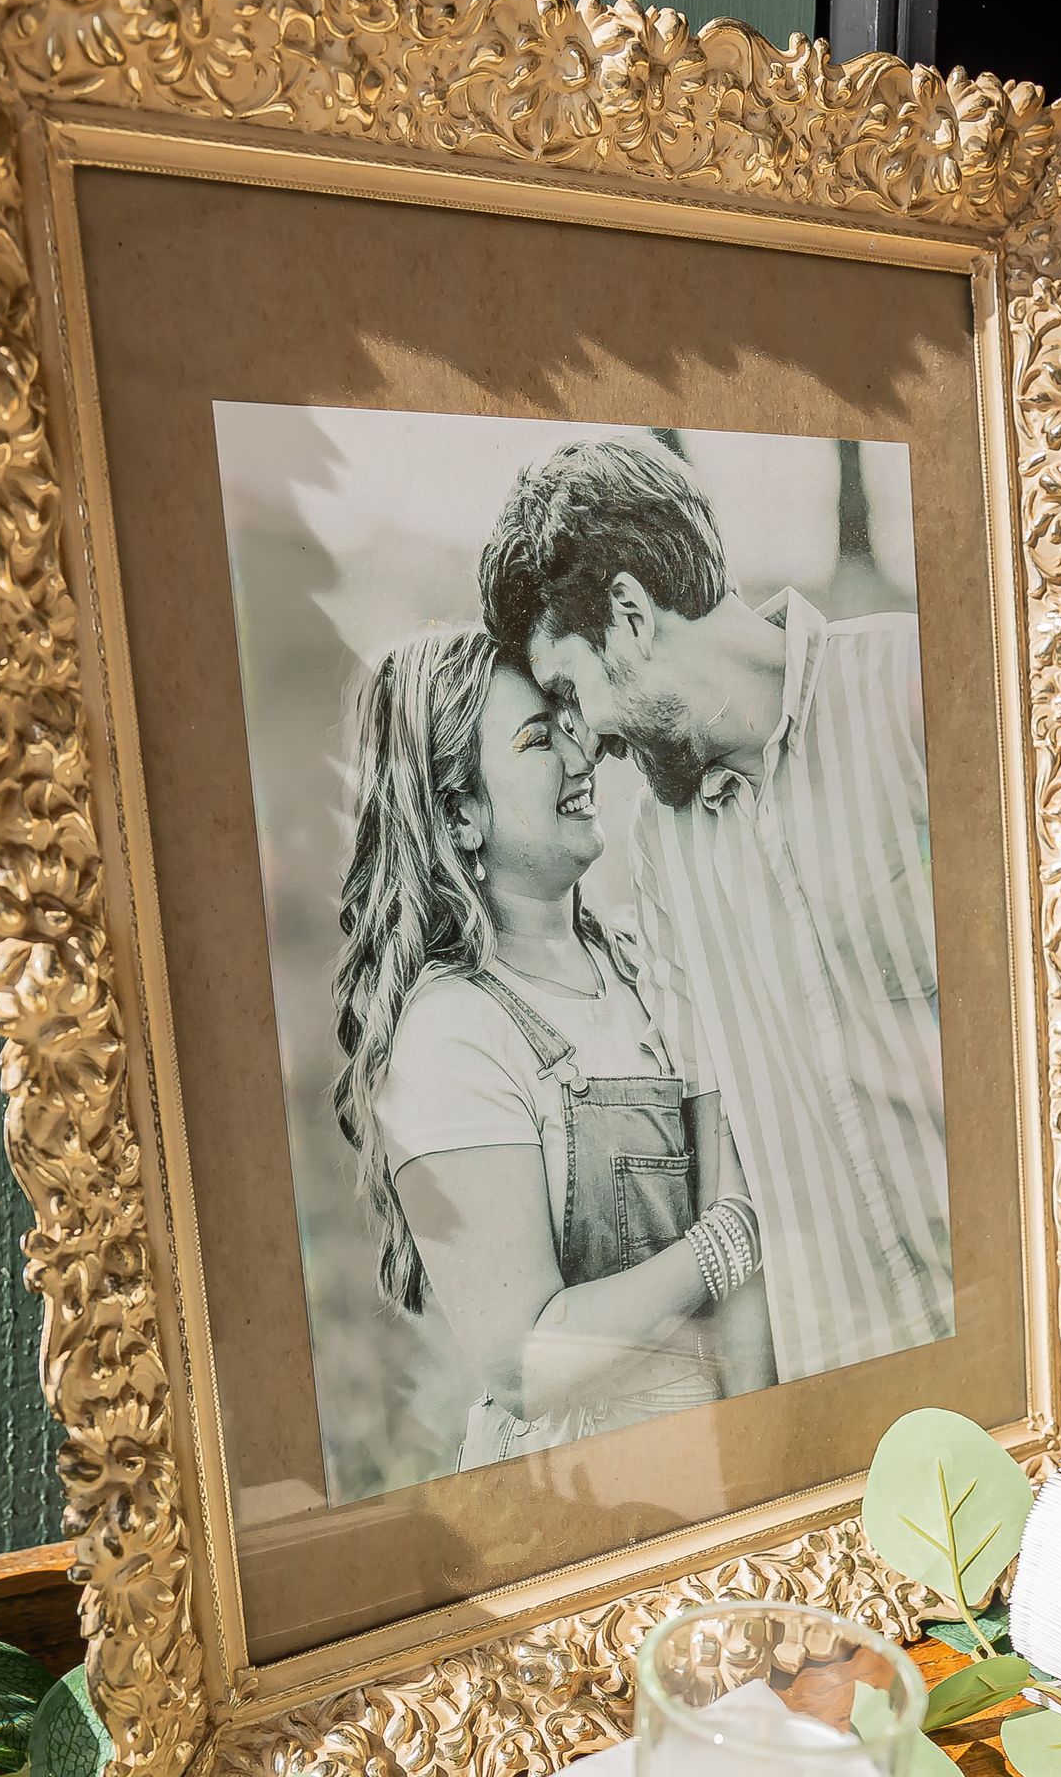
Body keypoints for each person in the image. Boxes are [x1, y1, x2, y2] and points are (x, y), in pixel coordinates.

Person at [480, 438, 952, 1383]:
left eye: (573, 691)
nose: (591, 743)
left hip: (1011, 1332)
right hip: (848, 1388)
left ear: (630, 617)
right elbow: (724, 1152)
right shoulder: (661, 850)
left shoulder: (917, 698)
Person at [332, 627, 775, 1469]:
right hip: (577, 1496)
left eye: (569, 721)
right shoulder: (448, 1035)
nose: (583, 754)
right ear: (460, 814)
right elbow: (524, 1364)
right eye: (538, 738)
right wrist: (724, 1244)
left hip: (717, 1452)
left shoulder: (648, 965)